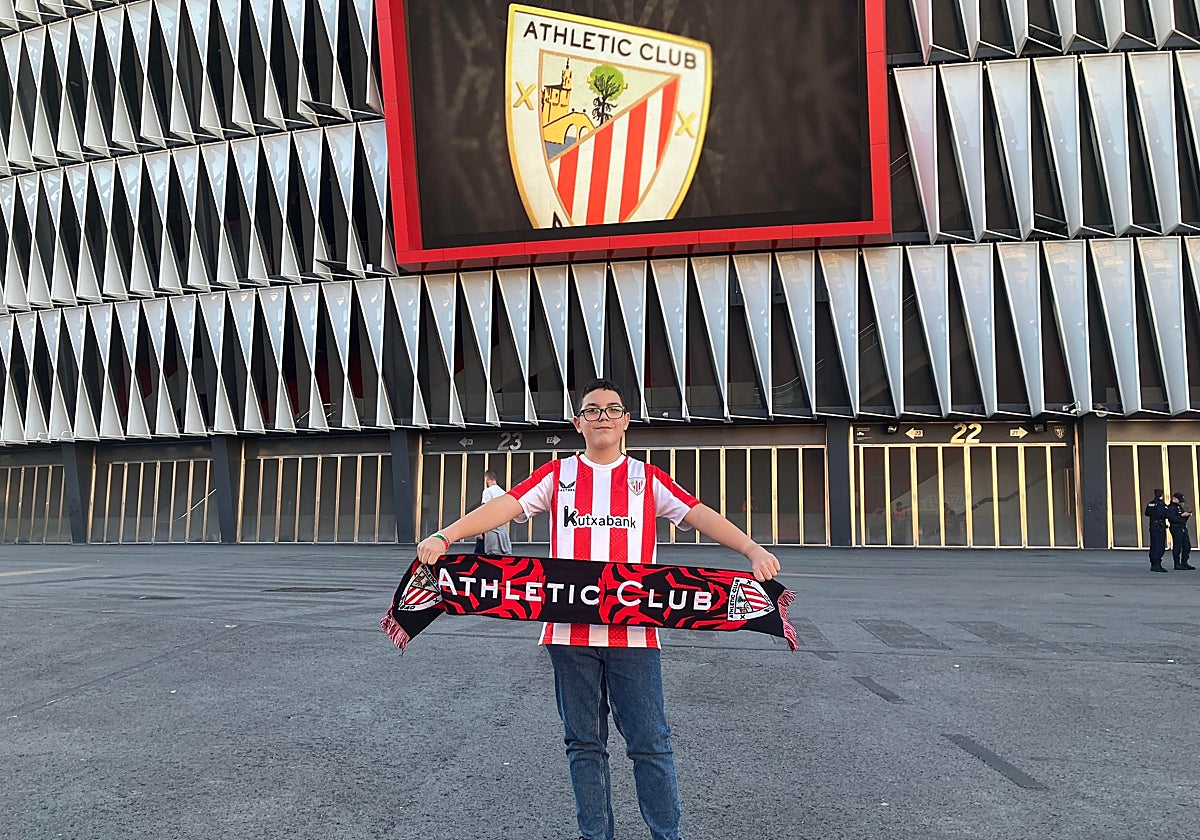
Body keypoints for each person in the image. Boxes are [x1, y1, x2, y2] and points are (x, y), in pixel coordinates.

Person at [415, 378, 780, 840]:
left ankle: (667, 834)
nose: (602, 416)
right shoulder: (557, 476)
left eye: (612, 409)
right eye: (592, 410)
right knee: (584, 744)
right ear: (578, 422)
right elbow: (504, 507)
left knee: (650, 744)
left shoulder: (648, 480)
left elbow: (700, 514)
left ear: (626, 420)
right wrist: (446, 535)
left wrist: (751, 550)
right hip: (569, 638)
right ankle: (596, 835)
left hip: (634, 637)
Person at [478, 470, 512, 554]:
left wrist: (479, 530)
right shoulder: (503, 493)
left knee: (481, 554)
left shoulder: (487, 491)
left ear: (487, 479)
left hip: (490, 528)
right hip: (501, 529)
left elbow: (484, 510)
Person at [1166, 491, 1194, 571]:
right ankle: (1177, 563)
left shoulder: (1179, 507)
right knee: (1177, 546)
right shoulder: (1171, 507)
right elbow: (1172, 518)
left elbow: (1182, 518)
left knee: (1187, 545)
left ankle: (1184, 562)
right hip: (1176, 528)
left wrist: (1187, 515)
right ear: (1175, 499)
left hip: (1182, 527)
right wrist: (1181, 515)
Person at [1144, 489, 1170, 573]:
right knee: (1159, 545)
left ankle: (1153, 563)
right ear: (1161, 495)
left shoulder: (1150, 503)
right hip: (1159, 526)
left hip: (1152, 526)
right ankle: (1157, 564)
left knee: (1153, 545)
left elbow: (1147, 513)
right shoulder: (1161, 504)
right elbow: (1164, 513)